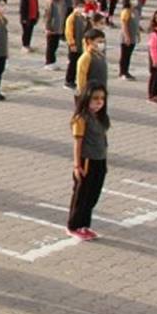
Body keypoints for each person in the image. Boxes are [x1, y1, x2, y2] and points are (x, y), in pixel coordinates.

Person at [66, 84, 110, 240]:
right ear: (86, 99)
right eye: (95, 98)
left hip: (100, 160)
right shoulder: (81, 119)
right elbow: (78, 142)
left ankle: (84, 225)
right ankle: (73, 226)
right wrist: (77, 165)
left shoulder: (100, 117)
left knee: (93, 194)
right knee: (82, 195)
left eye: (102, 99)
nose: (99, 102)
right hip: (87, 161)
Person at [75, 29, 109, 102]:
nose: (102, 44)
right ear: (90, 41)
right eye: (99, 42)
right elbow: (81, 78)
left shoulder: (100, 55)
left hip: (100, 92)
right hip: (90, 93)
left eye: (103, 42)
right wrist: (83, 93)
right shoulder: (86, 57)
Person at [63, 5, 89, 88]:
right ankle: (68, 81)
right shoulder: (72, 18)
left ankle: (76, 80)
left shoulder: (83, 17)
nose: (81, 9)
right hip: (74, 44)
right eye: (79, 7)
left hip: (81, 45)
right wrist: (71, 44)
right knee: (72, 63)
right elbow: (68, 32)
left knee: (79, 63)